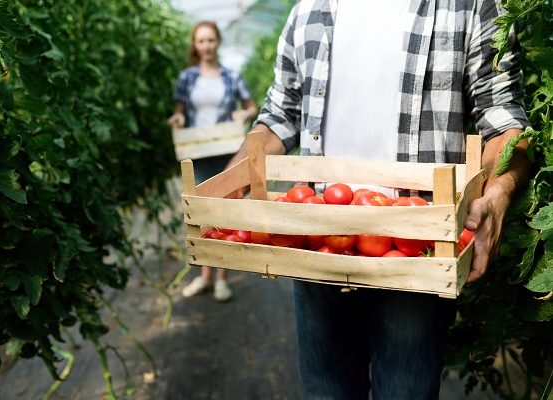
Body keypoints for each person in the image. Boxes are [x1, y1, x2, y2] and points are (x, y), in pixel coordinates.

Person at [226, 0, 530, 398]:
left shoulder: (466, 6)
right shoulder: (309, 10)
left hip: (413, 251)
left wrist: (499, 191)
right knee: (326, 392)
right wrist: (228, 183)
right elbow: (279, 115)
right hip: (319, 244)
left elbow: (504, 118)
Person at [169, 21, 258, 302]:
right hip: (198, 150)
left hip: (227, 150)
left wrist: (243, 115)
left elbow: (251, 105)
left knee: (224, 210)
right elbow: (181, 111)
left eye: (210, 40)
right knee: (201, 212)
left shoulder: (232, 76)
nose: (206, 46)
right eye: (201, 41)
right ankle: (205, 276)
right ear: (195, 46)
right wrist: (178, 119)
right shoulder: (187, 78)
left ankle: (221, 278)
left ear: (218, 42)